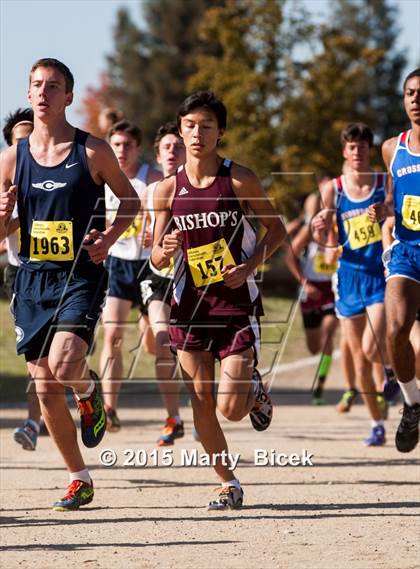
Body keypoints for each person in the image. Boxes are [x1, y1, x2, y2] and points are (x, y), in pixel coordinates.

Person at [0, 58, 139, 510]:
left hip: (80, 273)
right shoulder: (12, 158)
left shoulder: (92, 150)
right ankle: (80, 478)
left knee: (64, 364)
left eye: (53, 85)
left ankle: (87, 389)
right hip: (32, 277)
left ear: (68, 96)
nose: (43, 92)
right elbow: (2, 230)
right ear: (28, 94)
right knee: (43, 388)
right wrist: (3, 220)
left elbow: (131, 201)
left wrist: (111, 237)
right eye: (36, 85)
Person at [151, 91, 285, 509]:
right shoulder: (165, 190)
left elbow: (276, 230)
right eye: (189, 125)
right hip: (189, 310)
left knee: (229, 407)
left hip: (235, 307)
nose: (196, 133)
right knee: (202, 403)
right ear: (179, 129)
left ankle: (253, 389)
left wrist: (248, 268)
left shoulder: (240, 179)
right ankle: (228, 482)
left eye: (206, 126)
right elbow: (155, 255)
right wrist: (166, 247)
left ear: (220, 132)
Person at [313, 123, 394, 446]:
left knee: (372, 347)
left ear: (369, 151)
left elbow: (394, 211)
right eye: (351, 147)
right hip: (348, 276)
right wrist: (320, 227)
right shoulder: (333, 188)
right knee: (359, 360)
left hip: (378, 273)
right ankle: (377, 424)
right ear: (345, 152)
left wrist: (384, 211)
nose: (357, 152)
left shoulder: (382, 182)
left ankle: (388, 369)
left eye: (362, 147)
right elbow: (324, 233)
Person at [368, 68, 420, 453]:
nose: (415, 99)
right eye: (409, 93)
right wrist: (383, 209)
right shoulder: (392, 148)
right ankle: (412, 402)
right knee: (395, 330)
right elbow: (393, 197)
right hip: (406, 250)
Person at [100, 120, 161, 431]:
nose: (121, 150)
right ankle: (109, 407)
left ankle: (147, 327)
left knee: (153, 345)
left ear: (138, 148)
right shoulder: (103, 178)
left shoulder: (152, 179)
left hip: (149, 266)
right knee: (112, 335)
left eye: (127, 145)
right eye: (116, 144)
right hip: (117, 264)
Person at [141, 122, 186, 445]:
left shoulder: (200, 188)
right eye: (167, 147)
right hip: (157, 276)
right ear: (158, 156)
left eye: (177, 147)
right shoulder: (151, 192)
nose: (172, 152)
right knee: (161, 341)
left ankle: (201, 410)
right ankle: (173, 417)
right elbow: (142, 231)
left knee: (186, 349)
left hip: (192, 276)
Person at [1, 108, 42, 450]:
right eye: (20, 141)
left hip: (66, 275)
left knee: (63, 357)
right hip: (21, 273)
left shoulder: (65, 170)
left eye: (32, 136)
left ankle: (85, 385)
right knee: (34, 355)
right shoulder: (5, 180)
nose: (27, 144)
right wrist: (16, 212)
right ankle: (33, 422)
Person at [285, 191, 339, 405]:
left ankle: (320, 387)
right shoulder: (308, 231)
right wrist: (305, 283)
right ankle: (319, 378)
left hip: (333, 289)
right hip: (310, 291)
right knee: (314, 346)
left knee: (328, 332)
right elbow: (290, 255)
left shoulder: (338, 226)